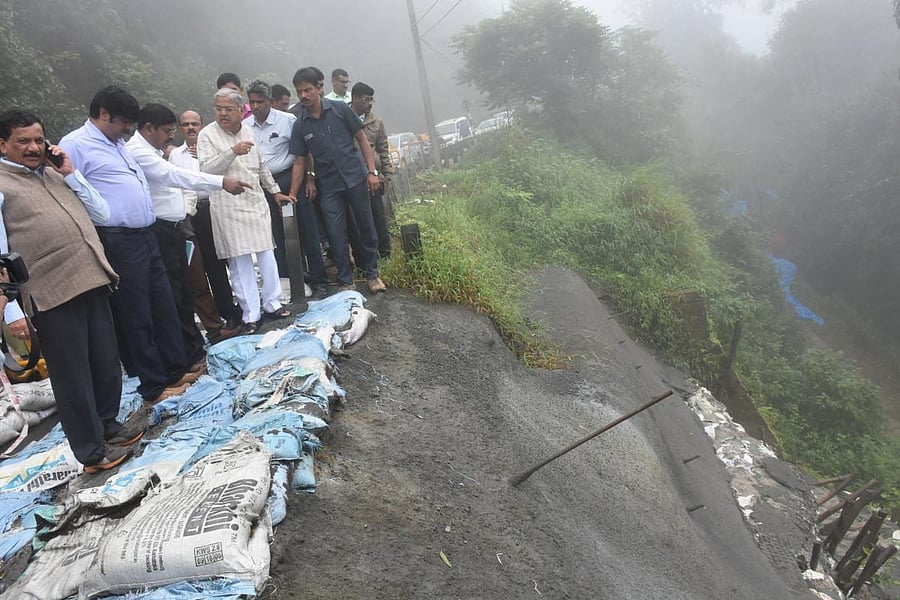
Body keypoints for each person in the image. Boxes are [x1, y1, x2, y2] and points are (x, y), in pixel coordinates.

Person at [0, 109, 141, 473]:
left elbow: (102, 212)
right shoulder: (2, 185)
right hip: (50, 293)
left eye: (37, 139)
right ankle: (91, 452)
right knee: (72, 375)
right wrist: (12, 310)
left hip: (91, 278)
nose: (33, 147)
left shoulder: (54, 173)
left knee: (106, 363)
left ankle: (108, 424)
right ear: (3, 145)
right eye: (22, 142)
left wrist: (70, 172)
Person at [59, 86, 198, 405]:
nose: (127, 130)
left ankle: (175, 371)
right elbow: (71, 191)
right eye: (123, 123)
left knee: (163, 305)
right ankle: (153, 384)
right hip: (117, 240)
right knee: (137, 314)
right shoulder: (76, 145)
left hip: (147, 234)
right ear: (103, 114)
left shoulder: (117, 143)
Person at [126, 103, 248, 363]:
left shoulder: (154, 150)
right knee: (176, 292)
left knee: (189, 286)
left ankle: (194, 346)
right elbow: (175, 176)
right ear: (149, 129)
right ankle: (186, 352)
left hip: (179, 228)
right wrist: (221, 182)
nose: (172, 136)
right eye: (169, 130)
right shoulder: (138, 152)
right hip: (161, 231)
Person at [198, 88, 293, 332]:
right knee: (240, 262)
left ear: (242, 111)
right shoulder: (207, 135)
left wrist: (274, 192)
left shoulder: (249, 130)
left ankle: (273, 304)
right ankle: (251, 315)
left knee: (266, 254)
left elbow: (261, 167)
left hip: (255, 202)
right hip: (227, 206)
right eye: (218, 109)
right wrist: (232, 152)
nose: (222, 114)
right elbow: (206, 171)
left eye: (228, 109)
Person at [288, 67, 386, 294]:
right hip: (329, 186)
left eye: (308, 90)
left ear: (319, 89)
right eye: (299, 91)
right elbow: (300, 161)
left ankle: (373, 275)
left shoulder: (341, 109)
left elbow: (362, 139)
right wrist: (294, 192)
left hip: (355, 178)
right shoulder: (300, 124)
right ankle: (345, 280)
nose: (303, 95)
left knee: (365, 227)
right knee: (335, 232)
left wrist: (371, 172)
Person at [245, 80, 328, 300]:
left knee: (306, 230)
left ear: (270, 101)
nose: (255, 107)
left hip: (292, 180)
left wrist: (307, 181)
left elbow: (303, 154)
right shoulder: (246, 127)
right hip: (265, 186)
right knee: (276, 236)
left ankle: (320, 281)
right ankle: (288, 283)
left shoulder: (288, 121)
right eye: (252, 102)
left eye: (260, 102)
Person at [169, 110, 243, 337]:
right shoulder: (175, 156)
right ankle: (221, 315)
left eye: (195, 123)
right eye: (186, 124)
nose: (191, 128)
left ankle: (236, 310)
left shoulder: (211, 148)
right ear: (181, 128)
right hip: (191, 215)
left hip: (215, 207)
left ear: (202, 125)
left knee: (224, 261)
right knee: (202, 268)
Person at [350, 82, 396, 258]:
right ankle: (363, 256)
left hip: (374, 176)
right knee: (358, 219)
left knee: (378, 215)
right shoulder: (342, 117)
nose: (369, 104)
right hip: (352, 176)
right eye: (366, 99)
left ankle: (385, 253)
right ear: (354, 98)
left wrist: (387, 175)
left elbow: (383, 149)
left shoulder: (376, 122)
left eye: (371, 100)